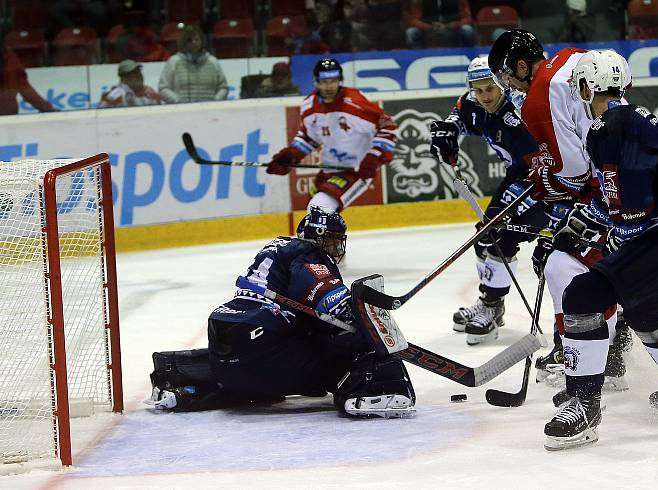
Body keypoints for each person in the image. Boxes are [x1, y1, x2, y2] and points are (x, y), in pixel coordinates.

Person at [542, 49, 658, 450]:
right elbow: (622, 198)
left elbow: (633, 208)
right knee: (647, 313)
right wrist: (580, 225)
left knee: (582, 294)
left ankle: (583, 404)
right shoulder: (633, 119)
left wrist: (606, 236)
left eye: (578, 88)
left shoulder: (609, 129)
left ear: (587, 88)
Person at [148, 206, 416, 418]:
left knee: (256, 381)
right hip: (264, 349)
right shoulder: (308, 254)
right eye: (332, 241)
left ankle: (184, 386)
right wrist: (368, 323)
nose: (336, 249)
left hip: (228, 351)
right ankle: (368, 391)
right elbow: (331, 301)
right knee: (352, 349)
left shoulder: (278, 250)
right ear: (318, 239)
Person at [487, 29, 630, 392]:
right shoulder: (571, 56)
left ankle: (593, 350)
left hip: (612, 186)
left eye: (507, 77)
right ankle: (611, 337)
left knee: (559, 261)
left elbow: (574, 170)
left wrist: (546, 183)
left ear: (522, 66)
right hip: (632, 170)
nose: (509, 87)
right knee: (586, 261)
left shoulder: (537, 98)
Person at [429, 55, 548, 345]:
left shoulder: (519, 115)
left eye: (489, 89)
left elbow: (547, 164)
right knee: (487, 234)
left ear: (503, 87)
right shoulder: (473, 102)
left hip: (544, 182)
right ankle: (491, 303)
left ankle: (492, 308)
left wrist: (521, 203)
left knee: (498, 234)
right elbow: (460, 114)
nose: (484, 97)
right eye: (477, 89)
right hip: (517, 175)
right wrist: (449, 132)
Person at [266, 58, 398, 212]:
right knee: (313, 212)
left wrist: (374, 157)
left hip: (355, 170)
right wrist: (289, 157)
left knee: (320, 208)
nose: (328, 86)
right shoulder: (309, 105)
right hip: (329, 169)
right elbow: (309, 137)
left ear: (340, 80)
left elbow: (388, 125)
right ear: (316, 82)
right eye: (324, 81)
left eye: (333, 81)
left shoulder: (355, 102)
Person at [158, 25, 228, 104]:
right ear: (184, 42)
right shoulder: (174, 61)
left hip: (210, 111)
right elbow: (163, 88)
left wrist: (215, 101)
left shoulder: (212, 61)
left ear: (202, 41)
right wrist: (178, 101)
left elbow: (223, 87)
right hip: (181, 112)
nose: (194, 42)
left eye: (196, 39)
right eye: (189, 40)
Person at [1, 48, 57, 115]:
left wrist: (47, 108)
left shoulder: (8, 58)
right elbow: (24, 88)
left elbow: (23, 86)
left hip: (7, 118)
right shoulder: (8, 59)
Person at [405, 0, 475, 49]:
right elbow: (414, 20)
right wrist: (429, 27)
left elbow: (467, 18)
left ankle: (468, 58)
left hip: (453, 30)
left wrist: (451, 25)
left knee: (467, 29)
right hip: (429, 31)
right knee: (411, 32)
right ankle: (417, 57)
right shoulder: (421, 1)